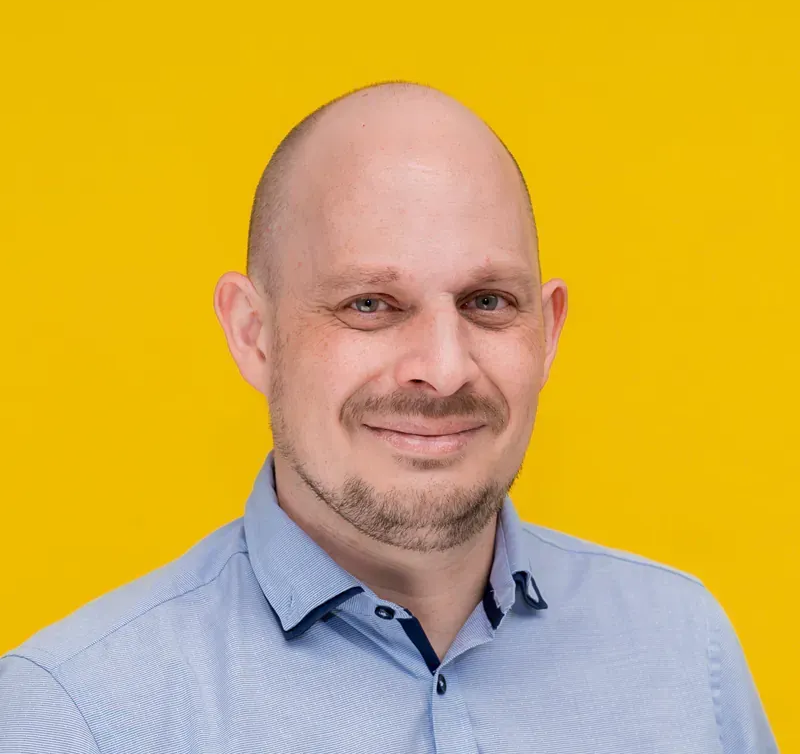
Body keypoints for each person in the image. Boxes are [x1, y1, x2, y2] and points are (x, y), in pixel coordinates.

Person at [0, 82, 778, 753]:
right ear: (253, 334)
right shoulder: (78, 716)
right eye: (370, 305)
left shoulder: (685, 652)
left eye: (487, 303)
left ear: (549, 333)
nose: (442, 370)